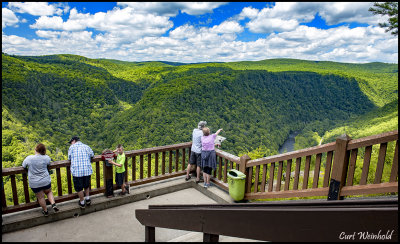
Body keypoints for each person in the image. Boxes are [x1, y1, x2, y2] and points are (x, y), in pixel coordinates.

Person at [22, 143, 59, 216]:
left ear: (36, 150)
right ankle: (53, 204)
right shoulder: (46, 158)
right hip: (45, 180)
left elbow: (23, 165)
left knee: (41, 197)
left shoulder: (29, 158)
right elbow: (49, 163)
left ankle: (45, 211)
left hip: (35, 183)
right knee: (49, 192)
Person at [68, 136, 94, 209]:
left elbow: (69, 158)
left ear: (74, 141)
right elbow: (92, 154)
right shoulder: (86, 146)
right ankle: (88, 199)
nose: (70, 144)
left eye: (71, 142)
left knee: (79, 188)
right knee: (86, 185)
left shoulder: (72, 148)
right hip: (87, 169)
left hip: (77, 171)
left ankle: (82, 203)